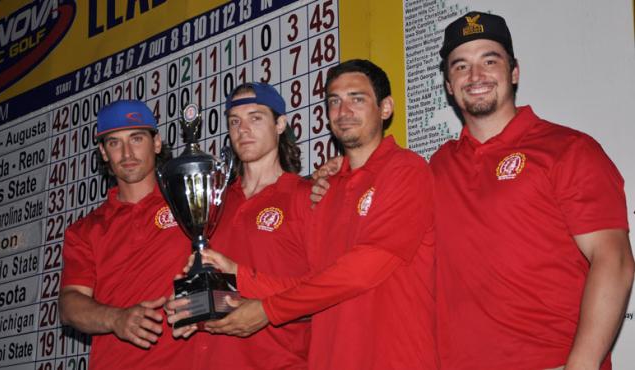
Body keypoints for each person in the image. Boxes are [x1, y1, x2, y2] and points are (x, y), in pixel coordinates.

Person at [198, 60, 439, 369]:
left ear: (386, 108)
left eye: (357, 98)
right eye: (334, 102)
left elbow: (363, 270)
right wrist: (237, 274)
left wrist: (268, 310)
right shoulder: (325, 191)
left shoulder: (406, 170)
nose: (344, 110)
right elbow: (311, 283)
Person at [431, 12, 634, 370]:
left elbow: (613, 260)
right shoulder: (437, 167)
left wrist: (581, 366)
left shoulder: (568, 149)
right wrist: (333, 177)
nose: (475, 76)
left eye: (489, 60)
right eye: (460, 66)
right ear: (449, 85)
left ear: (514, 72)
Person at [166, 83, 311, 369]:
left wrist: (241, 275)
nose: (243, 129)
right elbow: (221, 294)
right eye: (235, 121)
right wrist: (192, 307)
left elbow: (323, 291)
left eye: (255, 118)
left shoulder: (307, 196)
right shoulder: (214, 201)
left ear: (280, 124)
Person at [59, 100, 201, 370]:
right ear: (103, 152)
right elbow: (69, 304)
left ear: (156, 143)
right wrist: (116, 319)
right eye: (114, 143)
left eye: (136, 138)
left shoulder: (191, 201)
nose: (126, 153)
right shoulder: (86, 230)